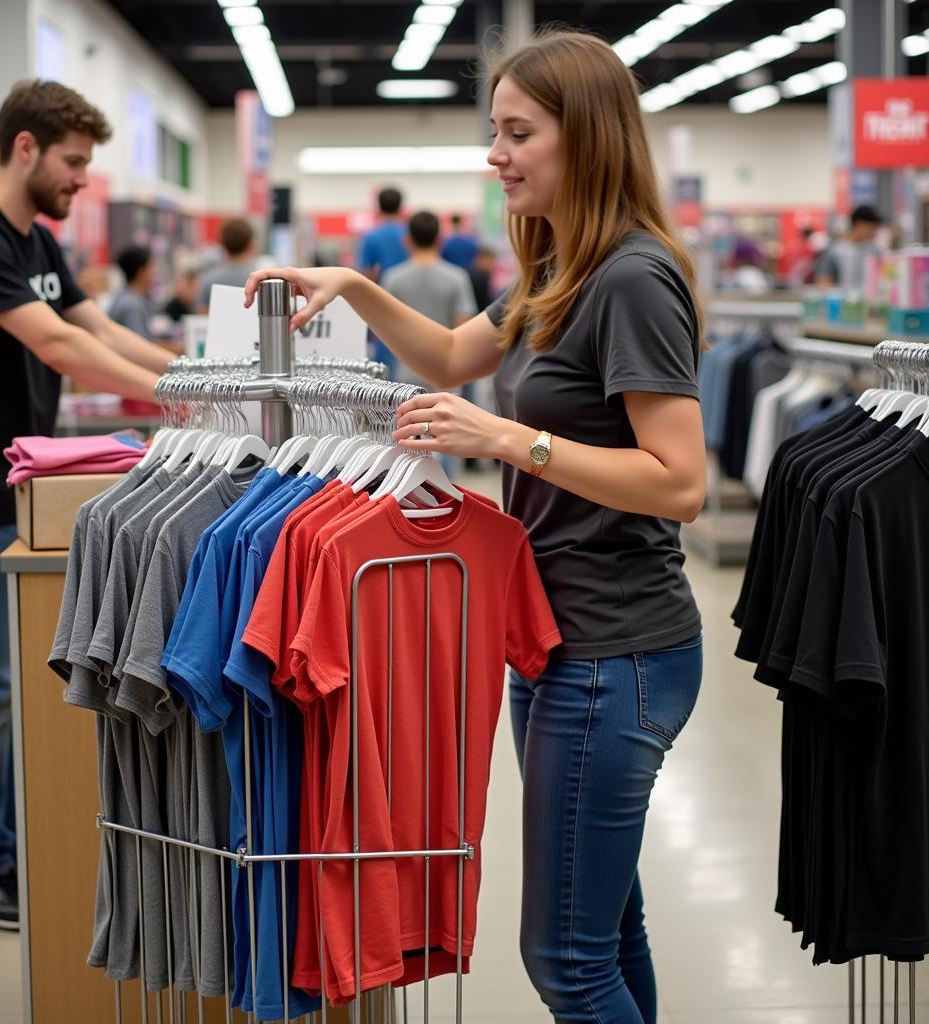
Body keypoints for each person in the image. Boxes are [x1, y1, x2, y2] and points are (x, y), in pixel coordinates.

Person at [246, 29, 706, 1023]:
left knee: (563, 957)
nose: (493, 155)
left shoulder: (630, 278)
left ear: (582, 138)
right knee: (606, 931)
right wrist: (357, 288)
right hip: (554, 642)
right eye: (492, 131)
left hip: (616, 647)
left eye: (515, 132)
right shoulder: (556, 265)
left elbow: (679, 483)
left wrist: (509, 439)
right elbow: (455, 354)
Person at [0, 79, 171, 932]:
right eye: (72, 162)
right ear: (25, 147)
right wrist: (180, 396)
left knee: (15, 679)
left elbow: (97, 327)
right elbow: (56, 342)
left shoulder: (37, 240)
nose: (81, 179)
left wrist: (185, 368)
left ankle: (16, 848)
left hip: (19, 488)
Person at [382, 210, 477, 475]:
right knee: (446, 439)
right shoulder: (457, 277)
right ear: (440, 239)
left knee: (408, 445)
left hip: (405, 372)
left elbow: (387, 329)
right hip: (446, 373)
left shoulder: (393, 278)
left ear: (407, 240)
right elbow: (464, 327)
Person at [358, 186, 408, 375]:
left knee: (384, 358)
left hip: (381, 302)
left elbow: (367, 275)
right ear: (401, 206)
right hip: (409, 302)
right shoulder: (408, 234)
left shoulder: (371, 237)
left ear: (378, 207)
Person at [813, 204, 883, 289]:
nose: (874, 233)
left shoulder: (874, 250)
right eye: (871, 227)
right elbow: (823, 282)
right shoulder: (834, 251)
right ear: (859, 224)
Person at [196, 217, 256, 313]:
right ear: (250, 244)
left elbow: (203, 319)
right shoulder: (259, 281)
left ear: (222, 243)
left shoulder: (208, 280)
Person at [108, 244, 155, 339]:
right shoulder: (131, 305)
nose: (154, 272)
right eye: (151, 267)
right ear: (141, 272)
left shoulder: (127, 297)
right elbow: (142, 345)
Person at [467, 246, 498, 312]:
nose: (492, 264)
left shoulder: (469, 273)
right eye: (490, 260)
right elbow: (484, 303)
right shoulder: (481, 277)